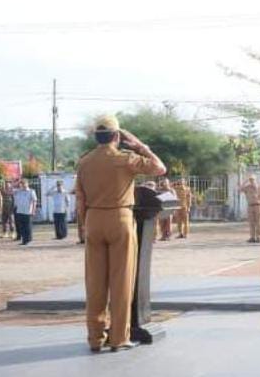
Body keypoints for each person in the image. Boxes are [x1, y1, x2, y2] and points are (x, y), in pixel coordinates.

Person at [76, 115, 166, 353]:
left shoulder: (84, 162)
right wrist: (141, 146)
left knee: (95, 283)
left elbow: (80, 198)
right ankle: (118, 338)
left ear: (96, 137)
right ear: (117, 136)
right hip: (120, 219)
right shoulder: (126, 159)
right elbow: (160, 168)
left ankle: (95, 337)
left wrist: (83, 227)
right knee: (121, 280)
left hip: (93, 219)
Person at [239, 175, 260, 243]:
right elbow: (240, 189)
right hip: (250, 206)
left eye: (253, 180)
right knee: (251, 222)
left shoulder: (259, 187)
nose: (251, 181)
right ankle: (252, 237)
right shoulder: (247, 187)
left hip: (258, 206)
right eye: (250, 180)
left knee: (258, 222)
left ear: (255, 180)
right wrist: (245, 181)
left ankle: (258, 237)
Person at [13, 179, 37, 246]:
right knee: (22, 227)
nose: (23, 185)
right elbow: (9, 190)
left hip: (27, 211)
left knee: (28, 227)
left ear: (27, 184)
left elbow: (34, 201)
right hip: (20, 211)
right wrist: (16, 183)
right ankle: (24, 240)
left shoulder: (31, 191)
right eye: (22, 184)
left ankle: (28, 240)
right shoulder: (18, 191)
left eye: (24, 183)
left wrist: (33, 210)